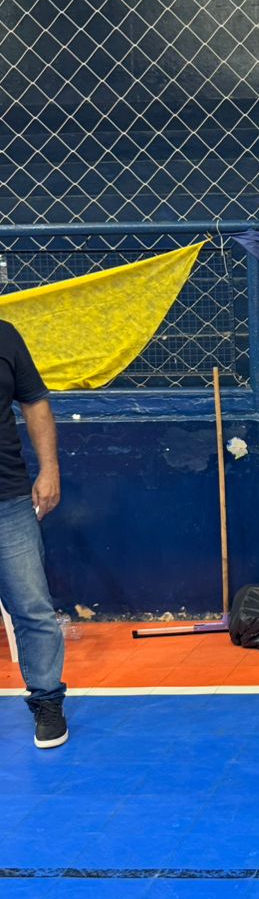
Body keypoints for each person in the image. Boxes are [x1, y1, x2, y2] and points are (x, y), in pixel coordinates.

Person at [0, 319, 67, 748]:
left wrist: (50, 468)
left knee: (32, 607)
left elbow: (35, 402)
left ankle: (47, 701)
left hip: (8, 498)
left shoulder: (5, 335)